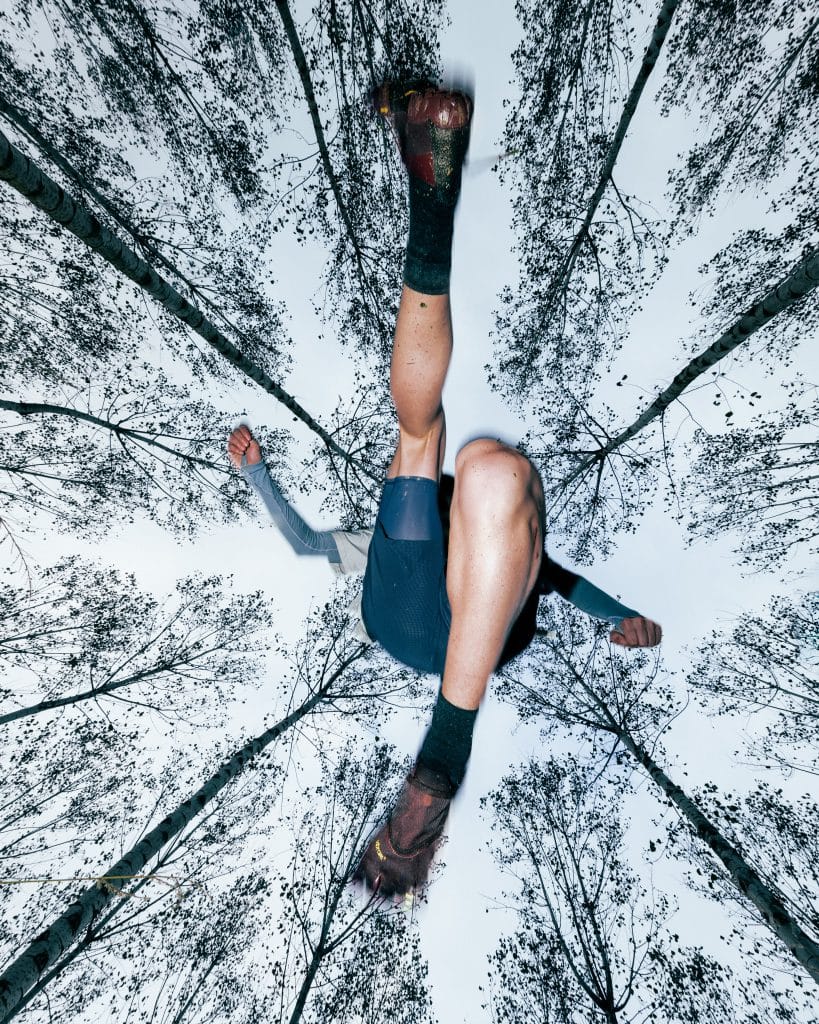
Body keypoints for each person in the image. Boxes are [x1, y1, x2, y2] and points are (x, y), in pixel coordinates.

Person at [227, 82, 661, 899]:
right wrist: (622, 616)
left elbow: (308, 543)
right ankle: (437, 764)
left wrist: (257, 472)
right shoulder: (504, 557)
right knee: (456, 454)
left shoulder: (439, 546)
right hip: (431, 625)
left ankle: (431, 198)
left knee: (482, 467)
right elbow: (569, 587)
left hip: (413, 625)